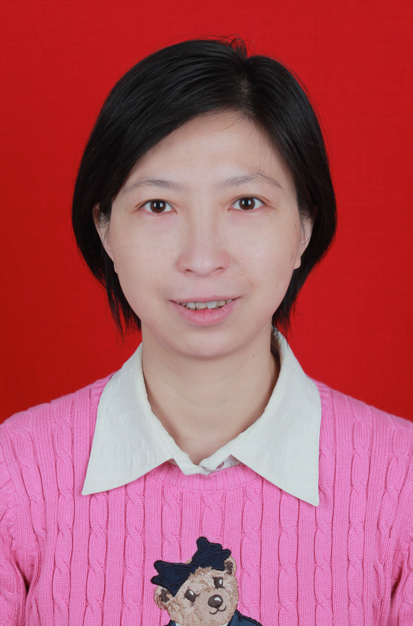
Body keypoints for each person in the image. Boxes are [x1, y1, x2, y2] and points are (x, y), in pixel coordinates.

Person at [0, 37, 412, 626]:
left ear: (304, 226)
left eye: (246, 202)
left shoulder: (401, 480)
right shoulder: (15, 473)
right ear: (105, 228)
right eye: (158, 206)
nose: (201, 258)